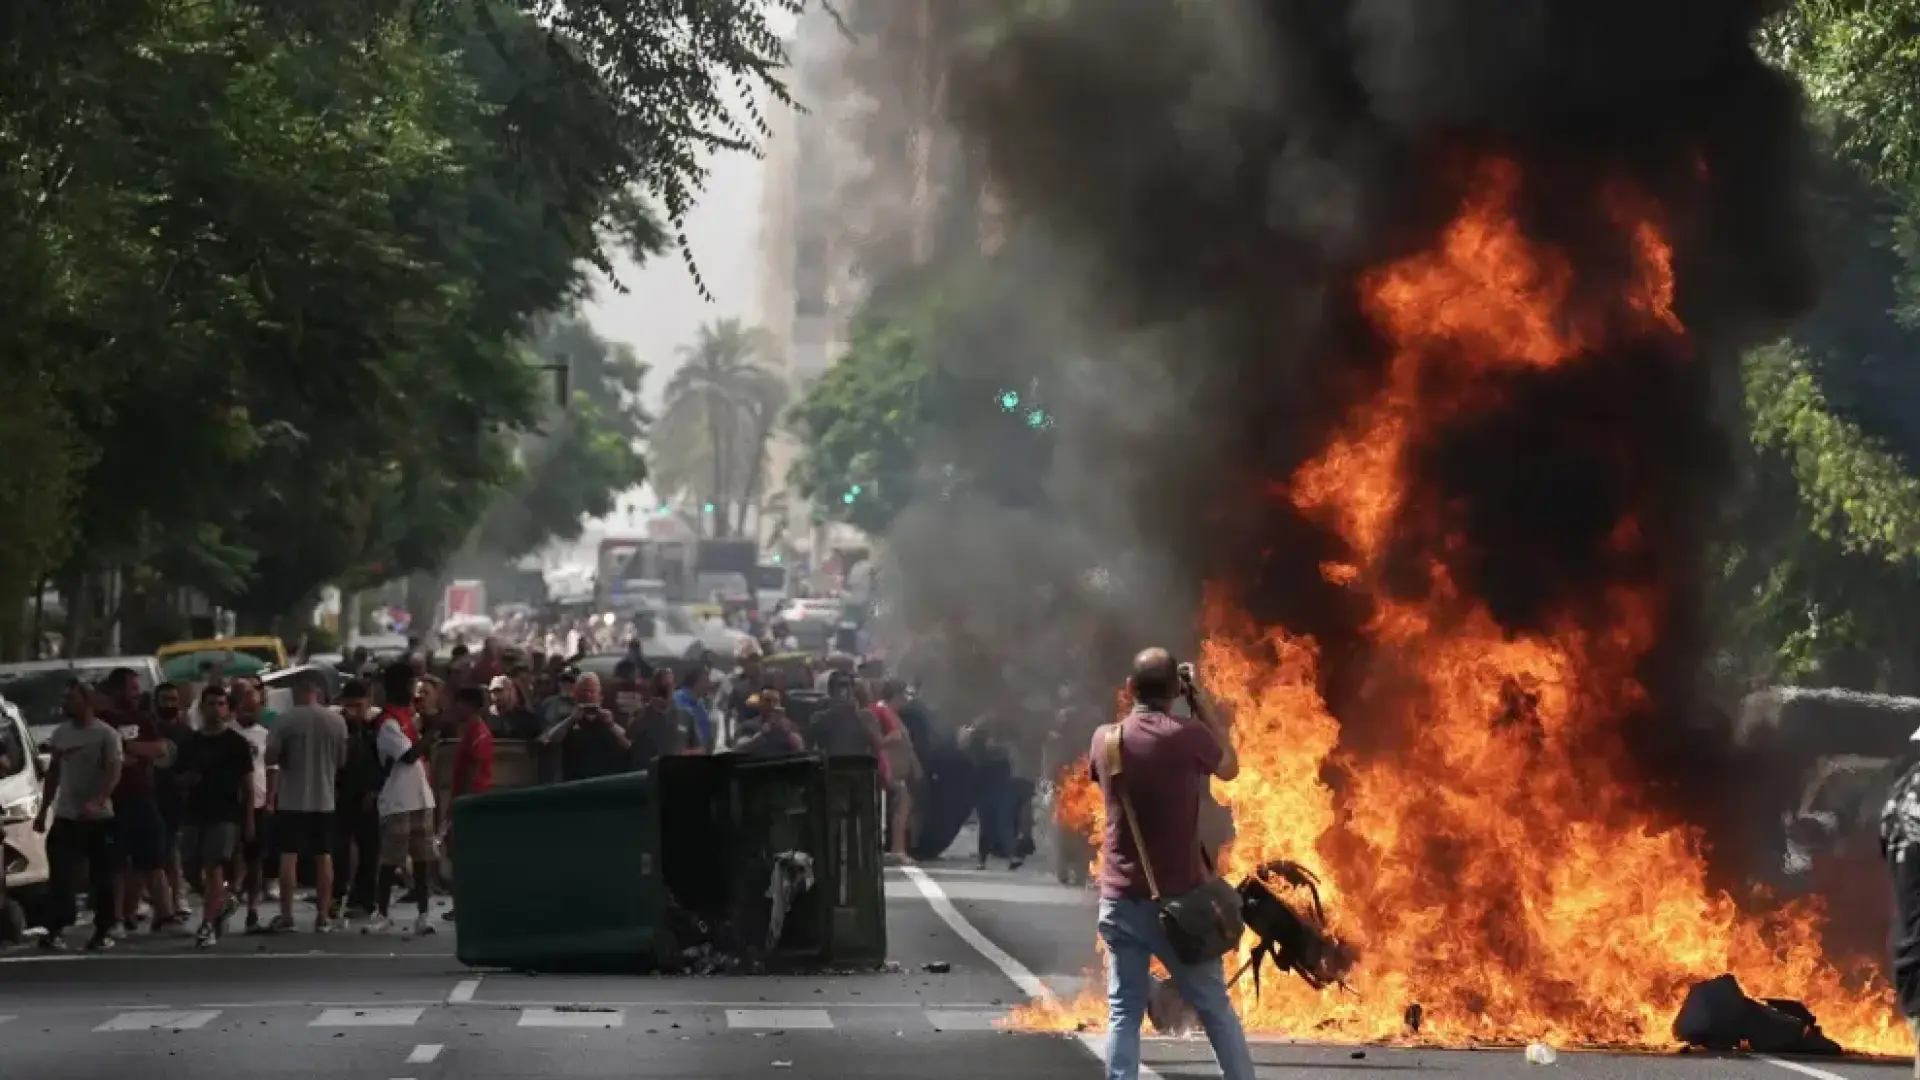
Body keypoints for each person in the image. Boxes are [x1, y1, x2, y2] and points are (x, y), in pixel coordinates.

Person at [1090, 649, 1251, 1080]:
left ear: (1129, 687)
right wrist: (1200, 704)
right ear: (1177, 691)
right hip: (1179, 906)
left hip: (1120, 901)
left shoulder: (1104, 740)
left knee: (1124, 1010)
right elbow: (1230, 767)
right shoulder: (1188, 736)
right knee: (1215, 1009)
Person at [34, 680, 124, 951]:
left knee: (102, 876)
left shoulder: (106, 735)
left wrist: (97, 801)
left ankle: (104, 929)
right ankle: (56, 928)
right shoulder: (61, 734)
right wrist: (43, 811)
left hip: (99, 819)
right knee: (61, 874)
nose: (66, 703)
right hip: (67, 816)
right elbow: (53, 774)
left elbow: (114, 772)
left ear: (86, 701)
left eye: (71, 698)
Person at [265, 671, 348, 932]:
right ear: (319, 693)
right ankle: (323, 917)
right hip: (324, 799)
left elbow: (270, 758)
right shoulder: (337, 721)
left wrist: (288, 757)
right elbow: (342, 760)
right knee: (324, 856)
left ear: (295, 694)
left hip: (291, 798)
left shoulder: (284, 720)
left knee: (289, 856)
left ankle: (287, 916)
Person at [179, 684, 255, 948]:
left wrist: (249, 820)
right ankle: (221, 900)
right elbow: (178, 776)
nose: (216, 709)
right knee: (189, 867)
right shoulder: (191, 742)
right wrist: (187, 781)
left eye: (221, 704)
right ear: (202, 707)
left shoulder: (237, 744)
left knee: (214, 866)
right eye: (211, 704)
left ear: (228, 708)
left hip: (225, 813)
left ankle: (208, 923)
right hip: (194, 812)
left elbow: (247, 784)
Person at [371, 663, 437, 935]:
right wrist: (433, 734)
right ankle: (382, 913)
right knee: (390, 859)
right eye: (412, 684)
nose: (415, 690)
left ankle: (423, 913)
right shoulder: (388, 722)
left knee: (423, 860)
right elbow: (407, 756)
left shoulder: (407, 717)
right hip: (397, 799)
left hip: (420, 797)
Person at [331, 679, 383, 922]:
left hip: (368, 793)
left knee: (370, 848)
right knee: (339, 847)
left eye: (358, 706)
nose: (354, 711)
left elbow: (380, 762)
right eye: (349, 705)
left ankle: (364, 897)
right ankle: (338, 893)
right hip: (341, 792)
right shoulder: (336, 724)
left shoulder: (377, 724)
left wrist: (373, 790)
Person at [441, 684, 493, 923]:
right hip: (465, 802)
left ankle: (467, 904)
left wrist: (459, 806)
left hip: (469, 803)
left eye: (459, 704)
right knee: (457, 854)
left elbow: (472, 773)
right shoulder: (471, 731)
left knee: (461, 855)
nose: (455, 709)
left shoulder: (478, 733)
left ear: (470, 706)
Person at [227, 681, 273, 933]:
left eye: (254, 710)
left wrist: (270, 800)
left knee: (256, 860)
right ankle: (226, 900)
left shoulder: (264, 735)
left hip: (258, 802)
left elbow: (272, 769)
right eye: (245, 710)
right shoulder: (228, 734)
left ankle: (253, 909)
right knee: (232, 858)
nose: (250, 715)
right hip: (231, 805)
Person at [546, 673, 634, 781]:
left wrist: (611, 725)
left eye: (591, 691)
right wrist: (571, 720)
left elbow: (629, 745)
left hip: (606, 780)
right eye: (583, 691)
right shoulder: (566, 718)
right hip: (574, 781)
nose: (587, 695)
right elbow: (551, 739)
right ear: (575, 695)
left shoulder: (613, 717)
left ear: (600, 696)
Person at [873, 680, 920, 862]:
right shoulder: (885, 712)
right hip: (890, 769)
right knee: (900, 807)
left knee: (901, 807)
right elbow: (895, 739)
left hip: (896, 769)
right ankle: (897, 850)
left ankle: (898, 848)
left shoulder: (891, 713)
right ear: (897, 695)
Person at [674, 666, 716, 753]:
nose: (709, 685)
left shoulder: (700, 704)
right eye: (705, 681)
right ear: (695, 682)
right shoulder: (677, 701)